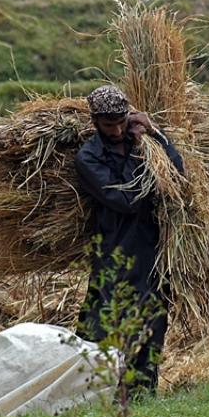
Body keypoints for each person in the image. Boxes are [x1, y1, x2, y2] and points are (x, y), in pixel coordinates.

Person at [74, 84, 184, 393]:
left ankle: (143, 392)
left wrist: (156, 133)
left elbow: (176, 172)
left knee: (154, 321)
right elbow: (127, 199)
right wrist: (139, 153)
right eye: (109, 125)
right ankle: (94, 390)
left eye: (122, 122)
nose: (118, 130)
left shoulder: (143, 138)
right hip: (115, 251)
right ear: (95, 122)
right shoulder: (89, 157)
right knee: (105, 321)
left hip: (152, 247)